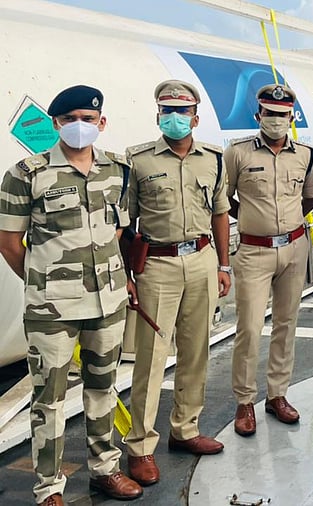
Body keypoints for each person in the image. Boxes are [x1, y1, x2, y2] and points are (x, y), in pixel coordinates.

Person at [0, 85, 143, 505]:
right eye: (69, 119)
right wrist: (44, 282)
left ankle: (105, 471)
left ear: (102, 122)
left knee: (103, 388)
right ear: (55, 123)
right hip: (52, 309)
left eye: (88, 118)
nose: (79, 126)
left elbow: (118, 229)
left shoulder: (118, 170)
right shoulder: (26, 174)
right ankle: (49, 488)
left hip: (108, 302)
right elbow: (9, 242)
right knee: (49, 399)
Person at [122, 80, 231, 486]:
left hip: (201, 260)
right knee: (150, 358)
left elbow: (220, 213)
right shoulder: (138, 161)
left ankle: (185, 429)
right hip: (156, 265)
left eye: (182, 112)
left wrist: (224, 265)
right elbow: (124, 223)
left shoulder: (213, 159)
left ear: (195, 118)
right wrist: (128, 275)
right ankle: (140, 446)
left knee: (196, 350)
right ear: (158, 115)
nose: (174, 118)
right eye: (167, 111)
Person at [226, 84, 313, 436]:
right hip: (254, 250)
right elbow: (224, 199)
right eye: (270, 114)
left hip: (294, 248)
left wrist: (288, 224)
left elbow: (310, 197)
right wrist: (252, 218)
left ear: (292, 117)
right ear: (258, 115)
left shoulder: (306, 155)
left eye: (283, 115)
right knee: (249, 328)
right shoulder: (237, 153)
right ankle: (244, 401)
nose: (276, 120)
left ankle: (277, 394)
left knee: (286, 323)